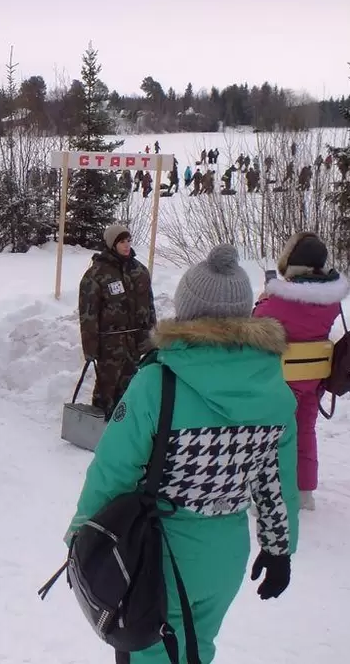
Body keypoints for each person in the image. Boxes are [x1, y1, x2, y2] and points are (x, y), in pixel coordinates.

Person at [66, 244, 299, 664]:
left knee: (149, 654)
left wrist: (81, 536)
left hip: (159, 554)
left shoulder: (158, 382)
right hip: (226, 555)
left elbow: (113, 471)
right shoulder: (274, 390)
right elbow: (275, 482)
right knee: (197, 649)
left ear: (188, 310)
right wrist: (280, 548)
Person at [253, 232, 349, 511]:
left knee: (274, 432)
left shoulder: (281, 300)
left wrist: (264, 299)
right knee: (305, 430)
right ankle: (305, 492)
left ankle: (272, 489)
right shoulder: (332, 299)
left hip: (282, 379)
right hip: (314, 377)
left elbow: (258, 321)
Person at [78, 225, 155, 417]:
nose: (127, 245)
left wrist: (152, 336)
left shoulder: (140, 271)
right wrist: (90, 348)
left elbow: (149, 306)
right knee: (107, 386)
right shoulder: (97, 274)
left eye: (128, 240)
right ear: (112, 244)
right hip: (110, 343)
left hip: (135, 340)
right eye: (122, 242)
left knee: (131, 386)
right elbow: (88, 315)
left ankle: (124, 426)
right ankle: (98, 427)